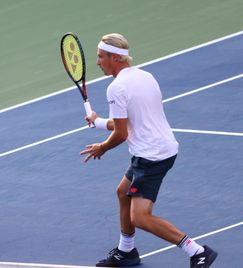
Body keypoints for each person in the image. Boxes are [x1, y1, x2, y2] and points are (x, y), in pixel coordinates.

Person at [80, 33, 217, 267]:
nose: (97, 62)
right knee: (123, 192)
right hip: (161, 148)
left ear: (115, 58)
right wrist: (98, 120)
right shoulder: (145, 76)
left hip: (151, 156)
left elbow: (122, 134)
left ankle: (197, 251)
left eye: (100, 57)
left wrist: (102, 147)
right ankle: (126, 252)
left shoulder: (116, 88)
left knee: (140, 217)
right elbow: (125, 122)